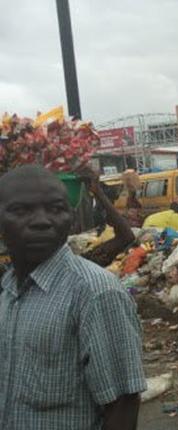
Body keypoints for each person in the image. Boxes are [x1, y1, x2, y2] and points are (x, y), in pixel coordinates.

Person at [0, 165, 146, 430]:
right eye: (22, 211)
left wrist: (97, 191)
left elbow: (123, 405)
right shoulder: (7, 289)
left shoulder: (95, 293)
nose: (42, 220)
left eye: (56, 209)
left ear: (70, 217)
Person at [78, 167, 137, 267]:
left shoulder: (86, 260)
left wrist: (97, 192)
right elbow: (126, 236)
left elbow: (126, 236)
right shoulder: (84, 262)